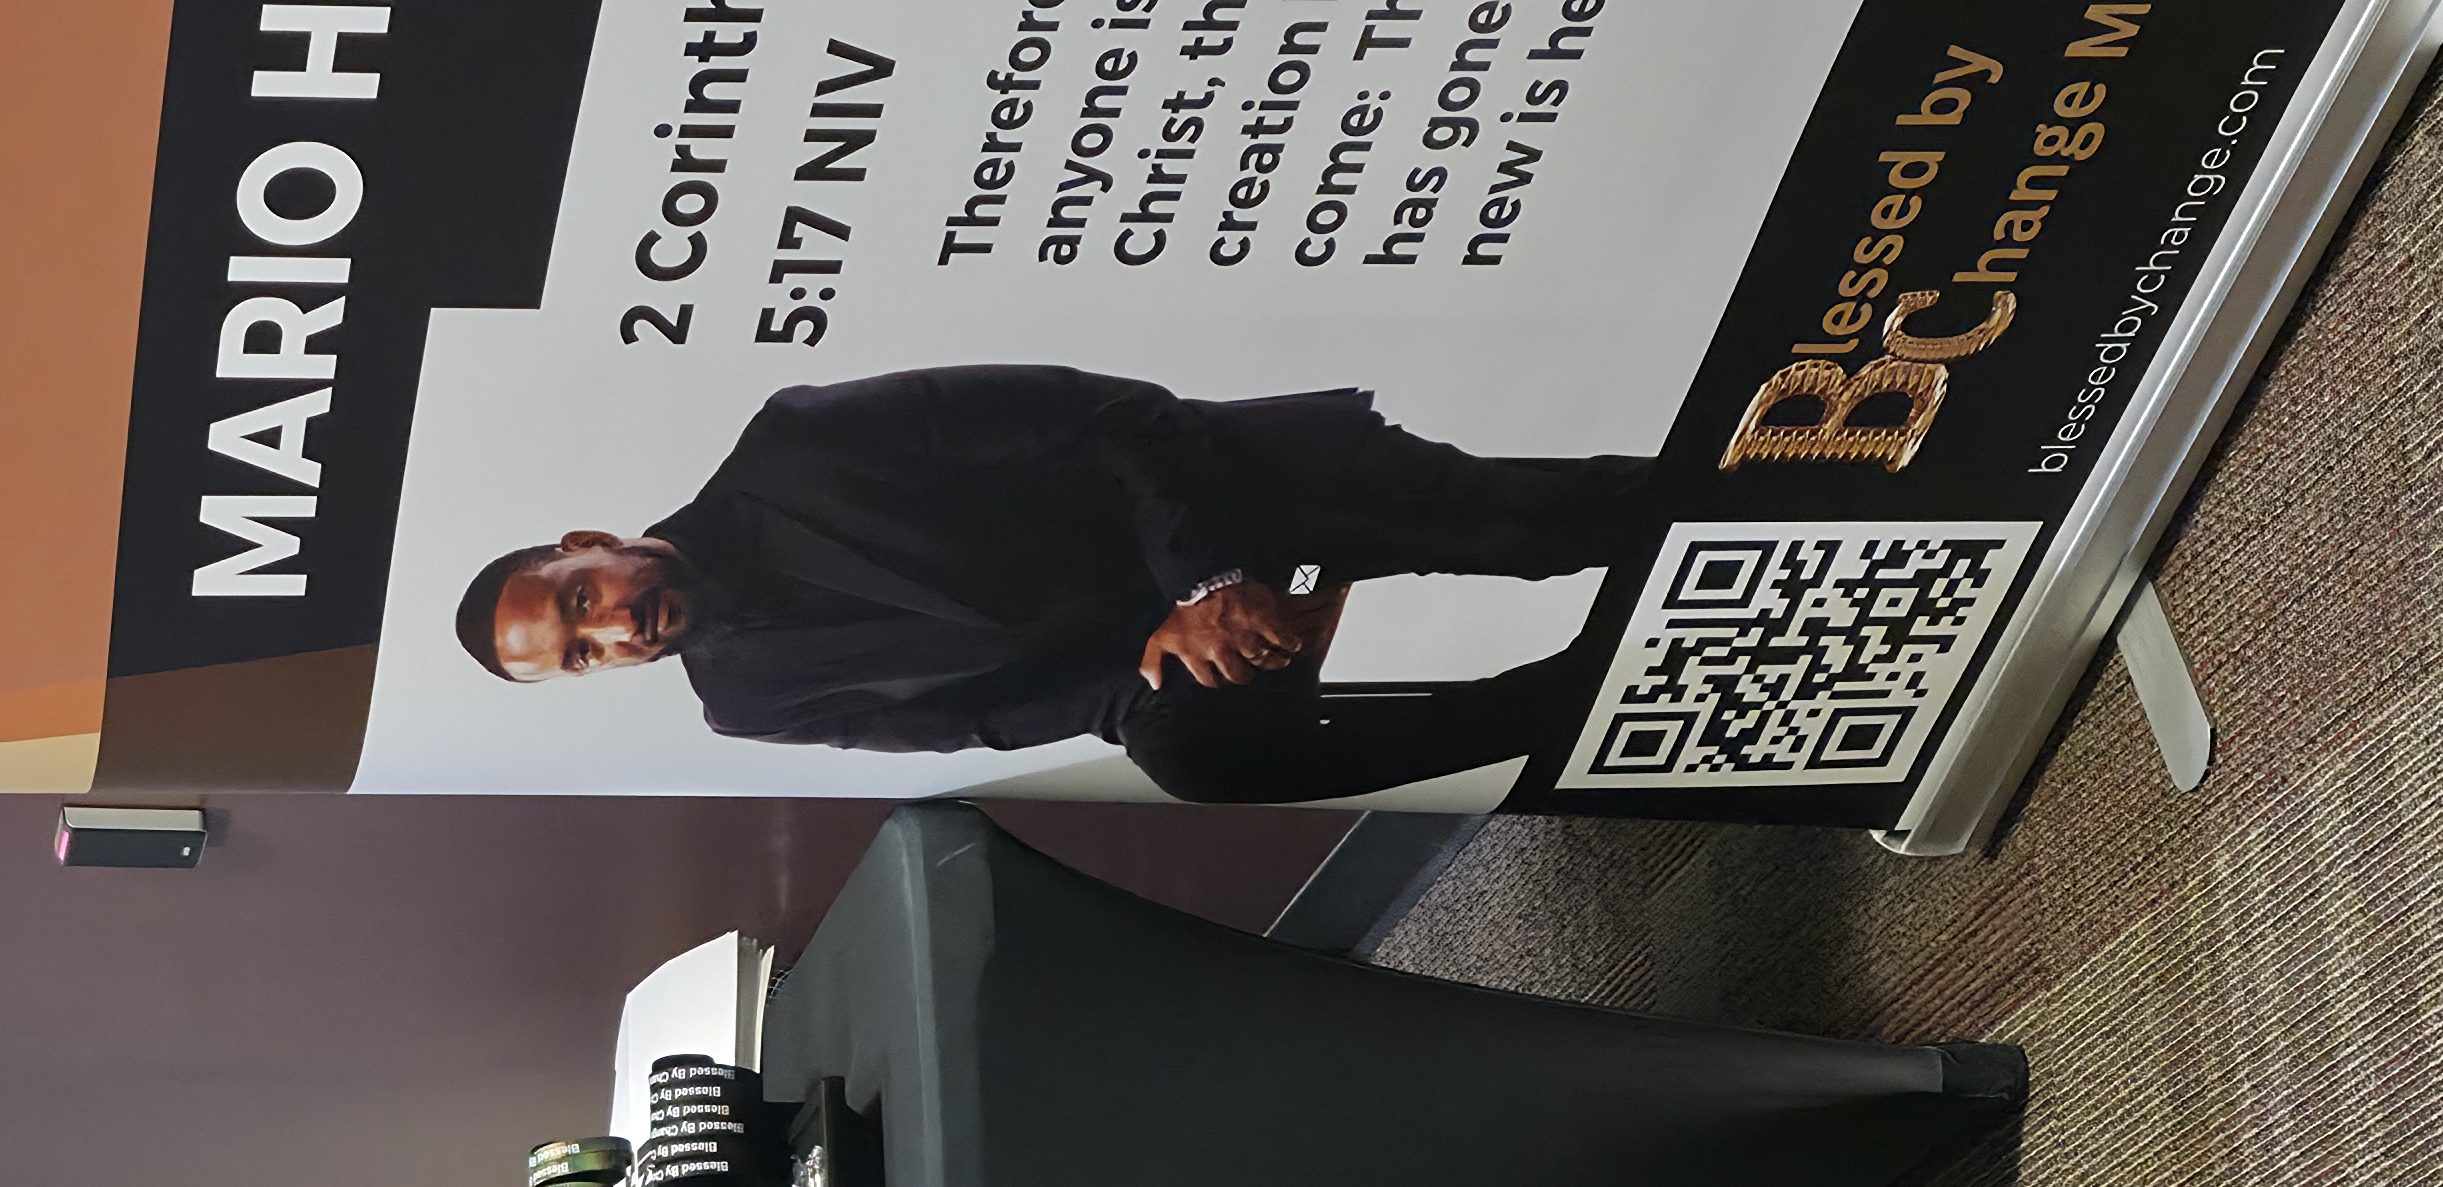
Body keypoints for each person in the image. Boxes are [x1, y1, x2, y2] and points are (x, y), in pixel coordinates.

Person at [451, 362, 1654, 802]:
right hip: (1153, 654)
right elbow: (970, 722)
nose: (611, 632)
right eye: (583, 656)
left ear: (588, 543)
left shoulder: (798, 444)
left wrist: (1217, 578)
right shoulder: (747, 702)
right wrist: (1145, 667)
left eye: (576, 602)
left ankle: (1791, 487)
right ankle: (1588, 704)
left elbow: (1115, 420)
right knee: (1208, 764)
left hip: (1231, 497)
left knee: (1546, 528)